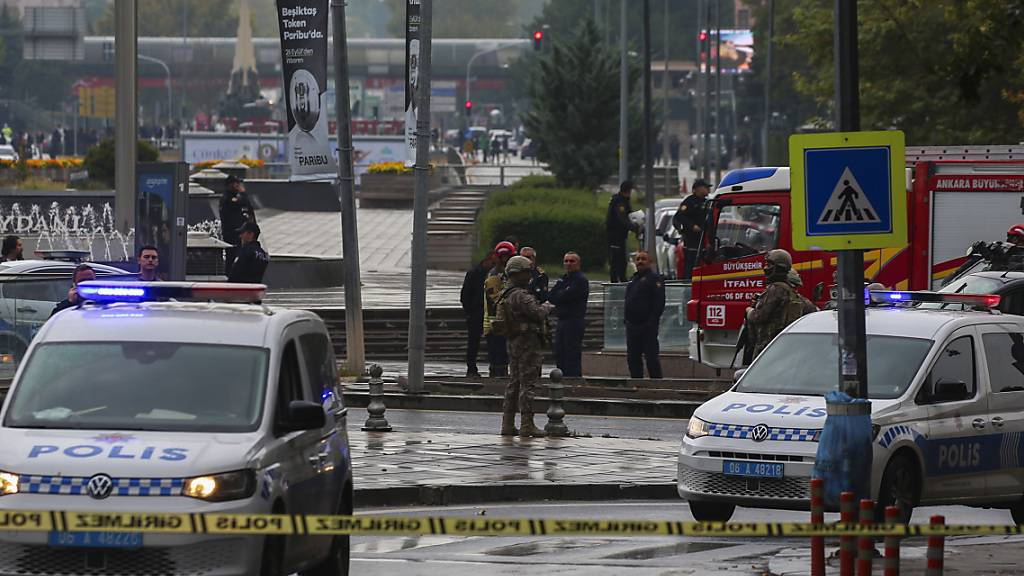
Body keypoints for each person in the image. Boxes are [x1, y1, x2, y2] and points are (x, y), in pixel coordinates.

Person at [497, 255, 550, 437]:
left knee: (514, 382)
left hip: (514, 341)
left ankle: (508, 423)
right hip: (528, 342)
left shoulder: (506, 293)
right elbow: (537, 313)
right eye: (527, 272)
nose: (529, 276)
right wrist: (547, 307)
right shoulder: (521, 295)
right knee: (528, 383)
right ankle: (527, 424)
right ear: (518, 273)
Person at [745, 249, 808, 357]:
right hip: (781, 345)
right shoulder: (789, 291)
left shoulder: (776, 289)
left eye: (769, 264)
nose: (766, 268)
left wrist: (749, 311)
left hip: (767, 346)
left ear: (778, 267)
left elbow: (759, 316)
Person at [547, 252, 589, 377]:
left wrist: (561, 294)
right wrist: (562, 294)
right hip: (562, 320)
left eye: (572, 261)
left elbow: (565, 296)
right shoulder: (563, 278)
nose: (568, 264)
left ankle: (573, 380)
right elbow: (552, 296)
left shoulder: (580, 280)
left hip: (574, 320)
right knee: (560, 352)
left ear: (578, 264)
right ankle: (562, 378)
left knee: (572, 353)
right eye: (566, 261)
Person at [624, 251, 665, 378]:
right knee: (632, 357)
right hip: (632, 326)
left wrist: (651, 321)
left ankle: (657, 385)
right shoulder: (633, 279)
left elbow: (659, 302)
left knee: (651, 357)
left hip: (647, 326)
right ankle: (637, 382)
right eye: (638, 259)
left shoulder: (655, 279)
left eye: (643, 259)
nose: (640, 261)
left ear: (650, 262)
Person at [483, 241, 517, 377]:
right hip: (495, 323)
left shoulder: (511, 274)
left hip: (507, 321)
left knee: (504, 356)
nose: (506, 261)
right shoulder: (493, 276)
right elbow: (496, 298)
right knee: (498, 357)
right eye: (504, 258)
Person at [461, 252, 496, 378]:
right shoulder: (474, 273)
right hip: (476, 312)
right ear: (486, 260)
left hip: (490, 312)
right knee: (473, 341)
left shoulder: (494, 275)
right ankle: (471, 368)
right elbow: (465, 294)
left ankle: (495, 366)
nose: (493, 266)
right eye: (492, 263)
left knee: (493, 340)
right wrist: (469, 312)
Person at [672, 179, 711, 280]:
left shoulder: (707, 202)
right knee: (691, 267)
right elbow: (679, 217)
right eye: (705, 187)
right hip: (692, 241)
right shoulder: (689, 202)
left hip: (704, 241)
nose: (708, 190)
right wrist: (692, 226)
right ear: (698, 189)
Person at [220, 174, 256, 277]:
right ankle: (230, 276)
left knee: (239, 256)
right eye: (236, 183)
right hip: (231, 233)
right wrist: (243, 193)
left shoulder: (235, 197)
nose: (238, 186)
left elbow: (248, 206)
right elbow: (242, 202)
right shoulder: (228, 198)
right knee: (232, 256)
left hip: (238, 232)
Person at [606, 181, 640, 283]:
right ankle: (615, 282)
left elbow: (629, 215)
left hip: (620, 236)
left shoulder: (623, 201)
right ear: (627, 191)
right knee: (616, 260)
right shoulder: (619, 202)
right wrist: (634, 228)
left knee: (622, 260)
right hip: (615, 236)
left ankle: (622, 279)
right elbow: (623, 219)